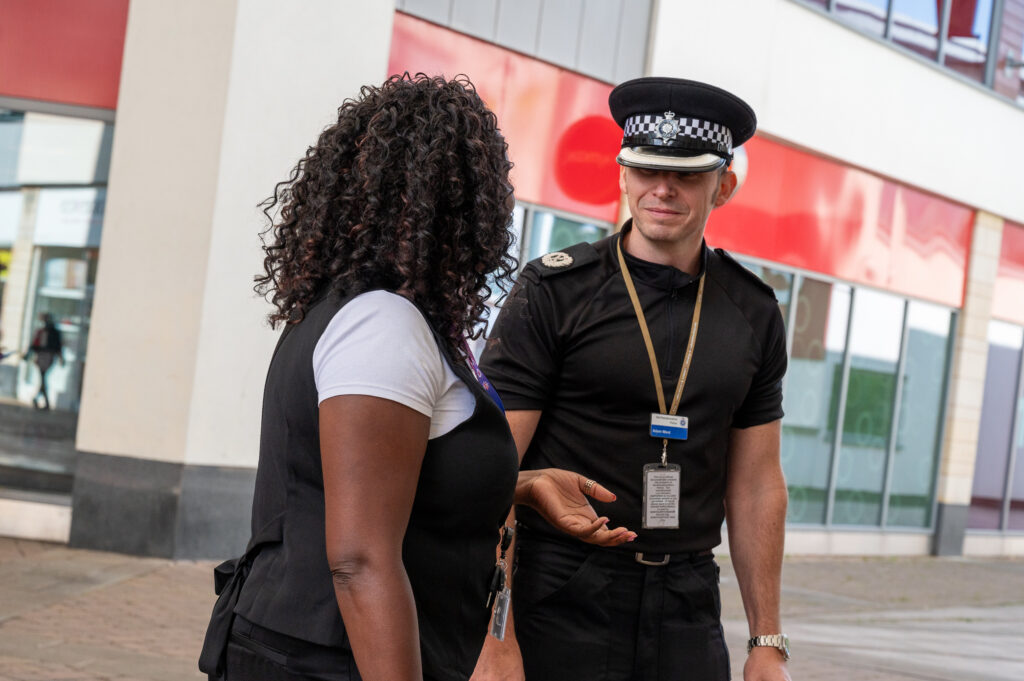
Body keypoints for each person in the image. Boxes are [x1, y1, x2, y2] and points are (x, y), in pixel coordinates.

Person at [198, 73, 631, 681]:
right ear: (465, 210)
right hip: (327, 660)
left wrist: (519, 483)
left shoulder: (353, 312)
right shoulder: (383, 324)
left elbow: (381, 481)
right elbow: (359, 560)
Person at [477, 77, 792, 681]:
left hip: (688, 605)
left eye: (688, 174)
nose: (663, 188)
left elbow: (756, 486)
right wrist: (495, 636)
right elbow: (491, 472)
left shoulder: (753, 310)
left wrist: (767, 641)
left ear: (722, 185)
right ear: (623, 175)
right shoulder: (554, 292)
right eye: (646, 169)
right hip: (561, 595)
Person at [26, 313, 64, 410]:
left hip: (48, 356)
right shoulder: (40, 331)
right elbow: (34, 344)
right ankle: (44, 401)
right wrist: (28, 355)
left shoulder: (54, 333)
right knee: (43, 378)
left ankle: (41, 400)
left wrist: (61, 358)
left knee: (43, 377)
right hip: (40, 355)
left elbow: (58, 346)